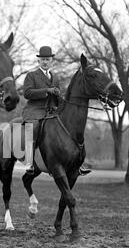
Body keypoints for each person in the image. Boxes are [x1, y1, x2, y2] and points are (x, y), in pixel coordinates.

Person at [22, 46, 91, 176]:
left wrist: (60, 98)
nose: (45, 62)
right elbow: (27, 93)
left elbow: (56, 97)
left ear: (51, 61)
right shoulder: (31, 75)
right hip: (34, 110)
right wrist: (46, 91)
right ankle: (30, 162)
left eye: (47, 59)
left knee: (70, 128)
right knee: (35, 127)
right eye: (42, 59)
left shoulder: (55, 77)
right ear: (39, 61)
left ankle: (78, 163)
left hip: (51, 110)